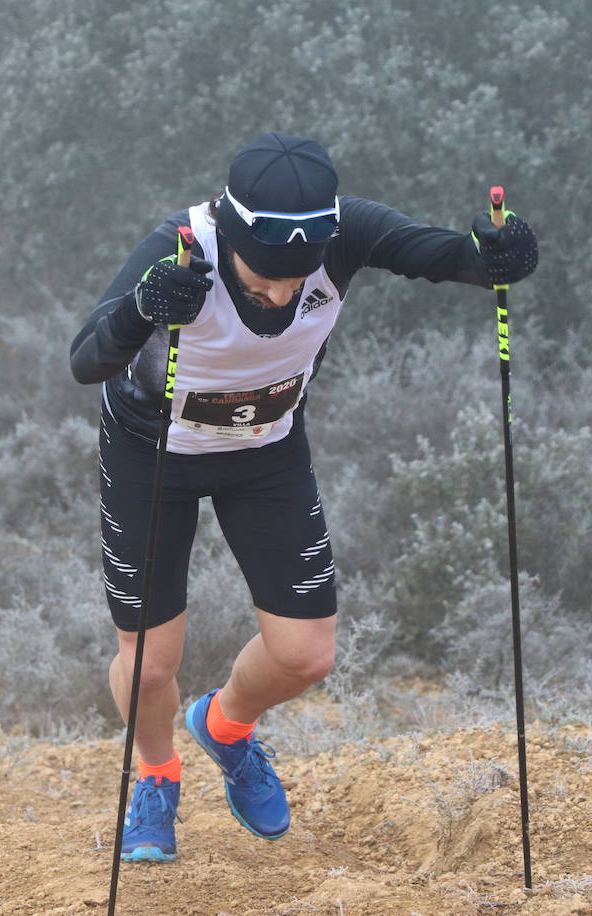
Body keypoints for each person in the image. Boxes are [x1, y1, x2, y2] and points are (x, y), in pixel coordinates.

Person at [70, 133, 537, 862]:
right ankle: (157, 779)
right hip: (154, 451)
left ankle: (225, 727)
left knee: (306, 655)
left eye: (297, 282)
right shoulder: (183, 245)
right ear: (230, 233)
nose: (283, 297)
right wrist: (143, 307)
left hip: (264, 451)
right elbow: (85, 356)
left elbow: (446, 257)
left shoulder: (344, 231)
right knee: (151, 659)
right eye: (262, 286)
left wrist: (495, 259)